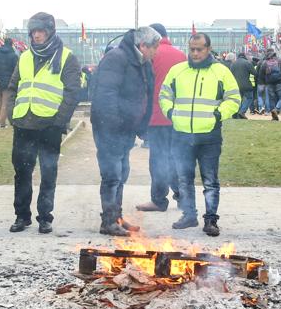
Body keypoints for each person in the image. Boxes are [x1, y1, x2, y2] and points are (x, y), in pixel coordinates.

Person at [160, 33, 241, 236]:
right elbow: (164, 95)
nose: (195, 53)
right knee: (183, 179)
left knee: (210, 180)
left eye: (199, 49)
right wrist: (171, 113)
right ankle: (189, 215)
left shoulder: (221, 71)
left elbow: (233, 98)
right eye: (192, 49)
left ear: (208, 48)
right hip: (181, 134)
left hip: (209, 136)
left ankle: (211, 220)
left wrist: (218, 115)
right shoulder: (177, 70)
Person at [8, 12, 81, 234]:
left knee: (48, 172)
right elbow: (13, 86)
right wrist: (12, 114)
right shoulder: (24, 57)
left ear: (50, 32)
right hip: (24, 125)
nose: (37, 36)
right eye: (34, 32)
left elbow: (72, 92)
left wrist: (59, 121)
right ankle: (22, 216)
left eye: (41, 31)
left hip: (49, 126)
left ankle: (45, 217)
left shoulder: (67, 57)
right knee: (21, 173)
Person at [92, 27, 158, 235]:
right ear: (142, 46)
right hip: (109, 128)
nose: (156, 52)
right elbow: (106, 95)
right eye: (154, 47)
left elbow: (144, 95)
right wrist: (115, 124)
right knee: (112, 175)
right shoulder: (117, 58)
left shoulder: (142, 62)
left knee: (122, 174)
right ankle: (108, 222)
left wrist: (140, 125)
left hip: (126, 129)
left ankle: (116, 217)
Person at [135, 23, 186, 213]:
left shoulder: (150, 53)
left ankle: (158, 200)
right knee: (176, 158)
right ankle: (182, 197)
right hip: (176, 116)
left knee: (158, 159)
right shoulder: (180, 55)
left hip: (156, 115)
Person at [0, 37, 19, 128]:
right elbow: (16, 70)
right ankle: (2, 123)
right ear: (11, 44)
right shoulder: (14, 56)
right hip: (8, 82)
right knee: (5, 103)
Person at [259, 50, 281, 121]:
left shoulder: (265, 62)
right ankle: (277, 109)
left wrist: (263, 83)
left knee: (271, 99)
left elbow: (261, 74)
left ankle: (273, 115)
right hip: (280, 82)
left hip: (269, 83)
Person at [229, 51, 255, 119]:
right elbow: (254, 72)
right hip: (246, 85)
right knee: (249, 98)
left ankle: (236, 113)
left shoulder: (233, 64)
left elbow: (230, 75)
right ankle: (242, 112)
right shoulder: (247, 63)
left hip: (236, 85)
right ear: (244, 56)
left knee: (238, 99)